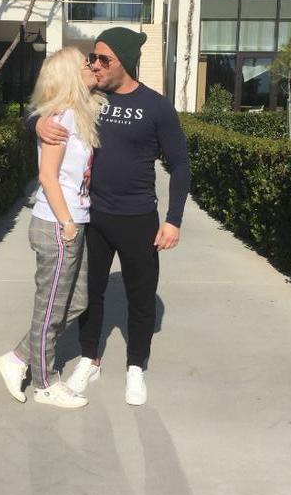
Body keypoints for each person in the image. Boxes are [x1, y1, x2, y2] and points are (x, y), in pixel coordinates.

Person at [32, 27, 190, 406]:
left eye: (105, 59)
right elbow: (45, 107)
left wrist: (173, 219)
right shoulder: (90, 97)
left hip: (138, 218)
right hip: (94, 216)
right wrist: (34, 123)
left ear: (126, 63)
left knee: (141, 297)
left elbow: (181, 165)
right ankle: (90, 359)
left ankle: (136, 366)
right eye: (93, 57)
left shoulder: (156, 107)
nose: (96, 65)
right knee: (91, 295)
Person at [0, 47, 103, 408]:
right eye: (86, 63)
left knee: (77, 302)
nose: (92, 66)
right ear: (71, 73)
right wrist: (68, 223)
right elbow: (47, 176)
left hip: (73, 221)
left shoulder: (78, 111)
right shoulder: (60, 117)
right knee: (51, 309)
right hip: (59, 224)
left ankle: (17, 358)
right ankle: (45, 383)